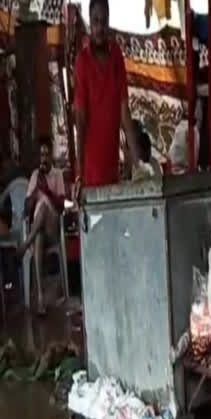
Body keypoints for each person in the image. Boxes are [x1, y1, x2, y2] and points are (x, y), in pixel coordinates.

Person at [74, 0, 139, 198]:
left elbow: (124, 112)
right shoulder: (82, 62)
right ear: (89, 23)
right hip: (90, 172)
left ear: (109, 22)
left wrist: (138, 164)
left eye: (104, 21)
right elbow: (80, 120)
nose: (100, 27)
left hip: (112, 168)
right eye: (95, 21)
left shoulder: (117, 56)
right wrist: (79, 174)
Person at [20, 137, 66, 314]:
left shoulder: (58, 174)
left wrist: (46, 190)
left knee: (46, 206)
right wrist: (34, 191)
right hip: (39, 231)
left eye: (47, 154)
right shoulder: (34, 176)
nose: (44, 158)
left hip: (52, 228)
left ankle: (25, 243)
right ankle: (40, 298)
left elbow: (62, 206)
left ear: (51, 156)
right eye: (41, 155)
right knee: (37, 236)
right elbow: (26, 210)